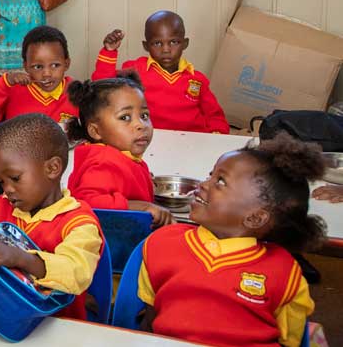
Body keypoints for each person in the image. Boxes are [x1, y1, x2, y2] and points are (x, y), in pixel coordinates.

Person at [137, 134, 325, 346]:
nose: (204, 184)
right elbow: (150, 322)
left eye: (220, 181)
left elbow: (291, 340)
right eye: (210, 175)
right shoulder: (161, 244)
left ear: (255, 217)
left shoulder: (284, 272)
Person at [0, 114, 103, 320]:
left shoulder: (79, 223)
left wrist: (20, 258)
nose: (8, 189)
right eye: (0, 181)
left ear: (52, 168)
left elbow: (76, 273)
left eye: (14, 178)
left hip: (58, 326)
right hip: (1, 317)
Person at [92, 11, 230, 134]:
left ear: (185, 43)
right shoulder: (135, 70)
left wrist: (216, 136)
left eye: (174, 42)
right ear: (146, 46)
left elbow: (215, 115)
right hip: (149, 139)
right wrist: (109, 51)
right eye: (157, 43)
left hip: (193, 141)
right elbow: (102, 87)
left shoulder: (197, 79)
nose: (166, 49)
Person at [66, 76, 173, 227]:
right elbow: (87, 202)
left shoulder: (123, 155)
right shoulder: (102, 162)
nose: (140, 125)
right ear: (96, 131)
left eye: (144, 115)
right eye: (125, 117)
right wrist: (142, 207)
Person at [0, 25, 77, 126]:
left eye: (55, 65)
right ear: (26, 66)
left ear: (66, 64)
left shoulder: (78, 93)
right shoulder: (12, 91)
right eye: (38, 67)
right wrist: (5, 83)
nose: (46, 74)